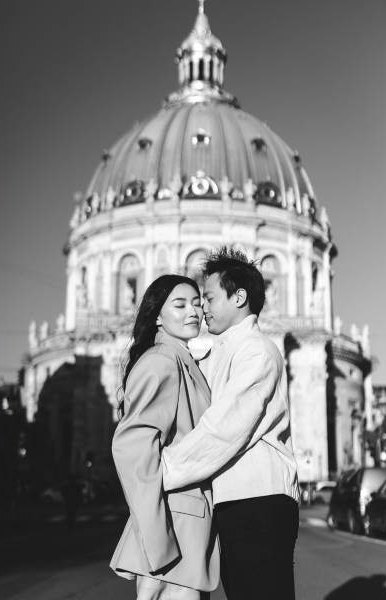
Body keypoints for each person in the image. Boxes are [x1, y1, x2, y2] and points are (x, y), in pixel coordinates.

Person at [161, 248, 300, 600]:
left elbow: (225, 428)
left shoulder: (257, 351)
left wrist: (162, 470)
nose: (201, 307)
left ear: (239, 297)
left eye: (208, 297)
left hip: (260, 500)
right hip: (236, 501)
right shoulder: (219, 354)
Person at [110, 274, 219, 600]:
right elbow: (133, 449)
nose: (193, 312)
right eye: (180, 304)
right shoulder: (162, 361)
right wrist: (158, 540)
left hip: (184, 524)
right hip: (174, 530)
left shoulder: (181, 359)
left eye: (198, 304)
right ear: (157, 314)